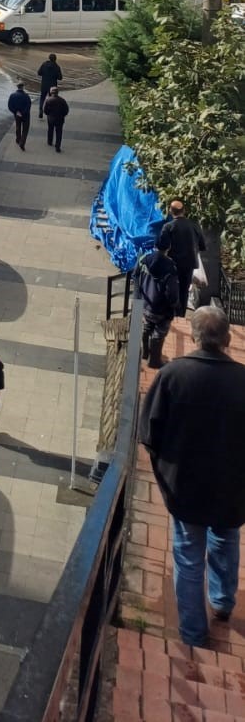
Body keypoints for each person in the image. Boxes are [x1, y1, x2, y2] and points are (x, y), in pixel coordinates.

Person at [140, 305, 245, 647]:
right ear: (228, 339)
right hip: (232, 487)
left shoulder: (173, 376)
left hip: (185, 486)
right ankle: (223, 602)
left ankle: (193, 633)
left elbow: (149, 432)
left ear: (195, 337)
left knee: (187, 557)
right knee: (226, 540)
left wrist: (165, 472)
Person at [159, 201, 207, 318]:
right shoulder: (195, 226)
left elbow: (162, 246)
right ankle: (180, 316)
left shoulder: (168, 227)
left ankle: (170, 316)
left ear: (170, 211)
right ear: (184, 211)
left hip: (173, 264)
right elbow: (202, 246)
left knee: (171, 289)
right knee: (184, 291)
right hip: (189, 265)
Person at [136, 245, 180, 369]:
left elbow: (136, 275)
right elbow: (172, 292)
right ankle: (154, 360)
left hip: (146, 304)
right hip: (162, 309)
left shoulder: (144, 259)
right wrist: (174, 305)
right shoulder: (170, 267)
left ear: (155, 246)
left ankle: (144, 353)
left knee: (146, 326)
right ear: (168, 248)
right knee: (159, 333)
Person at [43, 86, 69, 152]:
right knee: (59, 132)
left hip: (51, 118)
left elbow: (45, 110)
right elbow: (66, 110)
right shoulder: (62, 100)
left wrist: (48, 114)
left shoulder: (48, 100)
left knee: (50, 130)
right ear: (58, 92)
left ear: (51, 93)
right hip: (60, 119)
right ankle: (57, 147)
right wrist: (63, 115)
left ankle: (49, 141)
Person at [7, 80, 31, 150]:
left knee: (18, 126)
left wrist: (16, 112)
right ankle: (22, 143)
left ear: (17, 87)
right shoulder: (26, 96)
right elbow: (28, 106)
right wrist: (23, 113)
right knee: (25, 129)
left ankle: (18, 139)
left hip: (17, 115)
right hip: (26, 115)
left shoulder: (12, 95)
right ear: (23, 87)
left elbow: (10, 106)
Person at [37, 53, 63, 117]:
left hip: (44, 85)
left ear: (49, 58)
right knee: (52, 99)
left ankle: (41, 110)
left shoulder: (44, 64)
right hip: (52, 86)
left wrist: (45, 74)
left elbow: (39, 73)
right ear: (55, 59)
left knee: (42, 98)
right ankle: (50, 112)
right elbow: (60, 78)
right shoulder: (57, 67)